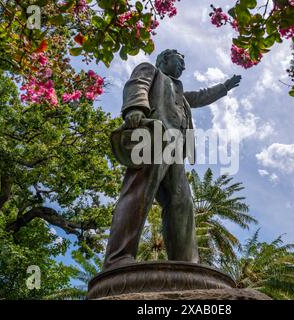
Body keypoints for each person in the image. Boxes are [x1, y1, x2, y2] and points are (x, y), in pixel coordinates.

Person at [103, 49, 241, 270]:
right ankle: (118, 257)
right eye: (180, 61)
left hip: (177, 149)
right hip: (153, 137)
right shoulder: (152, 71)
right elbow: (137, 84)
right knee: (139, 192)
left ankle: (186, 262)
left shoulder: (181, 94)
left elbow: (200, 96)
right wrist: (136, 108)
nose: (183, 67)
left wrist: (224, 87)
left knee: (181, 202)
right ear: (164, 60)